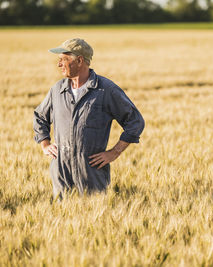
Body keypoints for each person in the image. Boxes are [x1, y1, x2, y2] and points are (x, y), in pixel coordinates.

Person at [33, 38, 145, 198]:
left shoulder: (106, 90)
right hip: (61, 173)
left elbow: (135, 121)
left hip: (92, 174)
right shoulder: (57, 90)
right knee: (63, 217)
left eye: (63, 60)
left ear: (79, 60)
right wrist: (45, 144)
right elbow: (39, 116)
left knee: (94, 215)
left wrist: (114, 152)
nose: (58, 65)